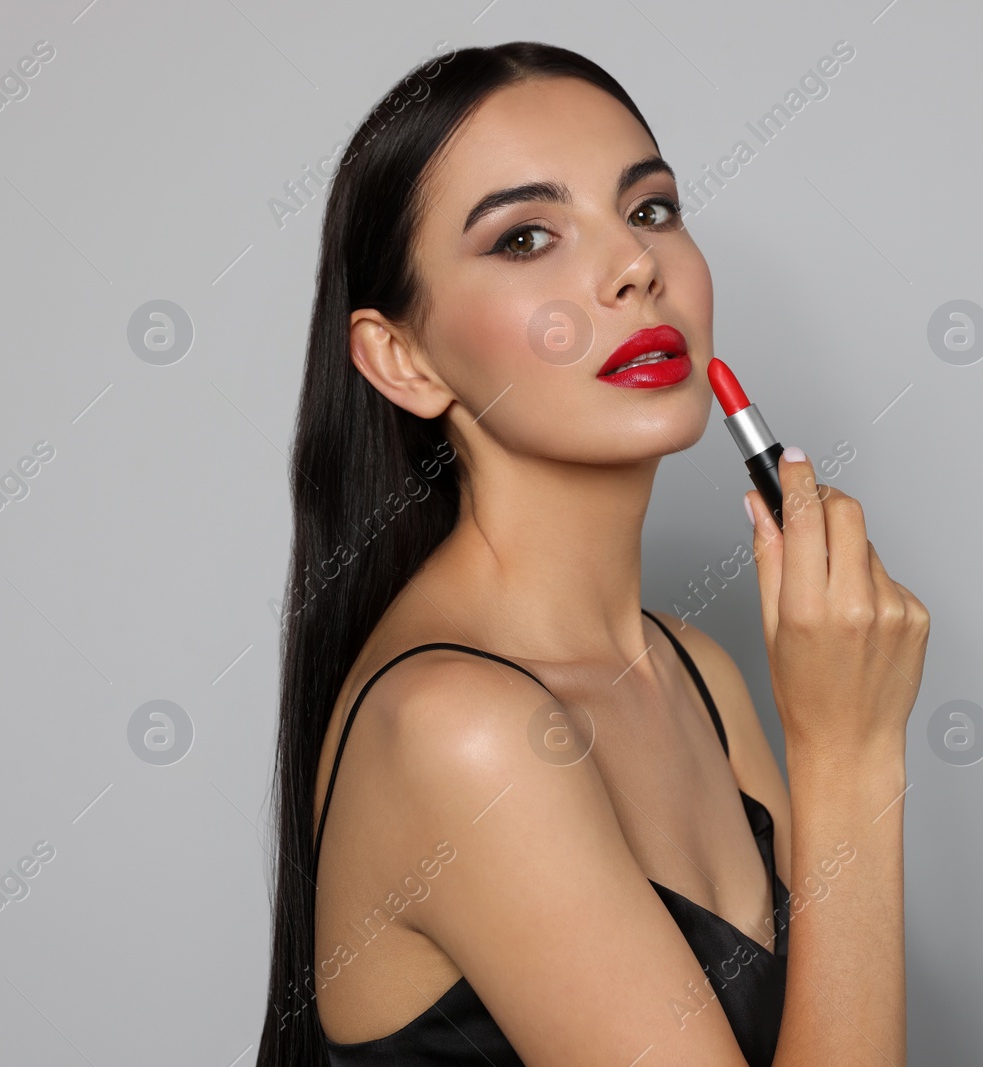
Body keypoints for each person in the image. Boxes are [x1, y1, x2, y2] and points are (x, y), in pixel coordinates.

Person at [255, 41, 929, 1066]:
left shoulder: (697, 673)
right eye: (526, 237)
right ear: (402, 358)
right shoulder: (457, 732)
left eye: (650, 208)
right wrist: (850, 755)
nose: (632, 265)